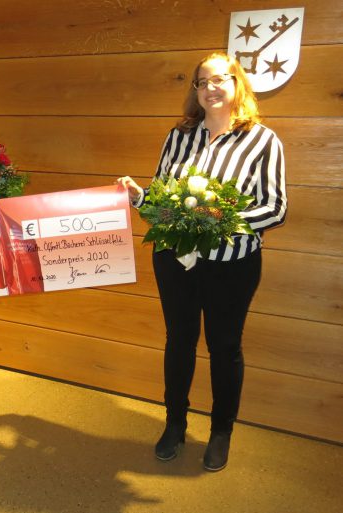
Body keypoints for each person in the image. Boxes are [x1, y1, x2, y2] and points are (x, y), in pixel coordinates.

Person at [117, 52, 287, 471]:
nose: (210, 88)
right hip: (175, 259)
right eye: (201, 82)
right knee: (179, 340)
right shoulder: (179, 136)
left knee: (225, 346)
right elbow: (160, 199)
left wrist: (220, 220)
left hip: (232, 263)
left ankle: (221, 431)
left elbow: (275, 208)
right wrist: (140, 196)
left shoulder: (263, 140)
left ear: (237, 85)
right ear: (195, 91)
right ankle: (175, 423)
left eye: (219, 80)